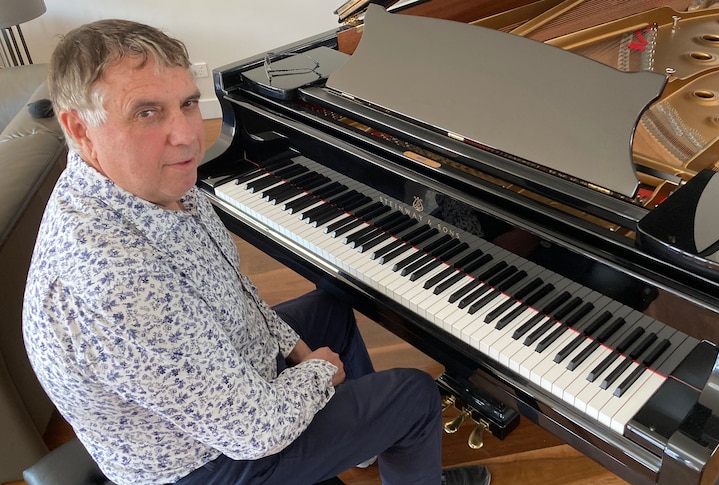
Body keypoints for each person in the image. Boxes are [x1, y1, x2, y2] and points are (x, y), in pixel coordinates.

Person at [22, 19, 491, 485]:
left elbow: (233, 287)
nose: (186, 135)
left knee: (334, 311)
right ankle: (399, 439)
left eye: (187, 103)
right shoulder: (114, 278)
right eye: (147, 112)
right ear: (80, 130)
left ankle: (370, 444)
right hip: (202, 462)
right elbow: (254, 432)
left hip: (221, 379)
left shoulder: (146, 183)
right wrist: (316, 374)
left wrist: (297, 349)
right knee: (413, 395)